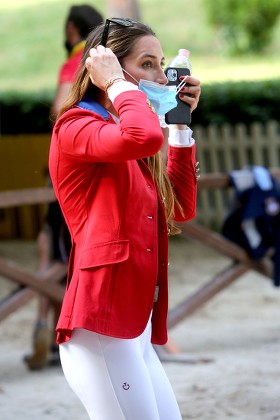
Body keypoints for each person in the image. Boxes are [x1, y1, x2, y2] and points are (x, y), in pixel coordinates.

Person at [49, 18, 201, 419]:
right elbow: (142, 138)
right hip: (100, 327)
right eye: (147, 64)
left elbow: (181, 207)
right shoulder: (76, 127)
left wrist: (180, 128)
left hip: (136, 329)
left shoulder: (126, 131)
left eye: (161, 63)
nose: (162, 77)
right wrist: (118, 85)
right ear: (107, 69)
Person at [24, 4, 103, 370]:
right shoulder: (107, 57)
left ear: (72, 28)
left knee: (54, 251)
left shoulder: (76, 60)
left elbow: (59, 108)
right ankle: (53, 331)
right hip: (97, 170)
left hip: (70, 172)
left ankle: (48, 328)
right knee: (53, 247)